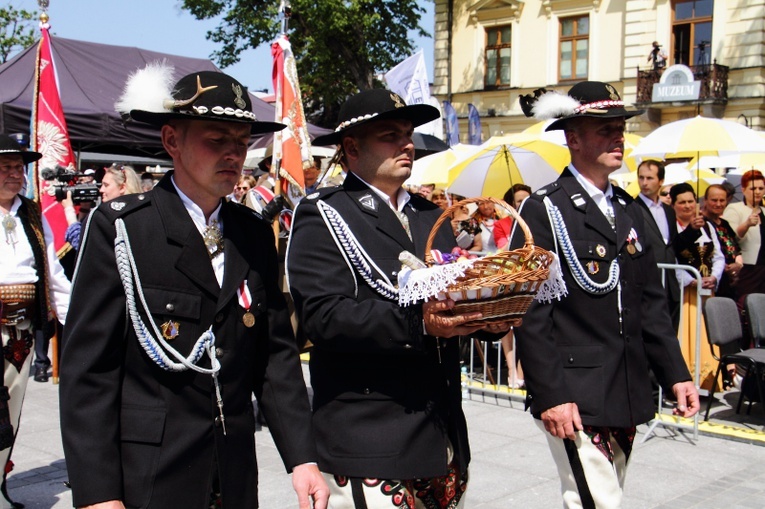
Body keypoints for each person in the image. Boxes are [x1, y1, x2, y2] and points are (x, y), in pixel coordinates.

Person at [60, 68, 327, 509]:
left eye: (241, 142)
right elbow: (89, 373)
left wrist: (302, 458)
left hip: (233, 471)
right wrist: (97, 494)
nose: (233, 154)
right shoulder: (123, 229)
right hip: (151, 474)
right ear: (172, 141)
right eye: (216, 139)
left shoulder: (253, 234)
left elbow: (275, 357)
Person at [287, 89, 510, 508]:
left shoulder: (431, 215)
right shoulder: (325, 213)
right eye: (390, 134)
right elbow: (323, 317)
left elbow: (452, 301)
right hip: (370, 434)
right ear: (351, 147)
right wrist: (417, 323)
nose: (407, 143)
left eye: (408, 133)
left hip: (441, 432)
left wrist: (490, 319)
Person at [510, 82, 699, 508]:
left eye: (620, 128)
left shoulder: (630, 208)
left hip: (626, 387)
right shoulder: (544, 209)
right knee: (599, 502)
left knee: (596, 498)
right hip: (574, 388)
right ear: (572, 138)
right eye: (604, 128)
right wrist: (551, 394)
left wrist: (676, 372)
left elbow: (650, 300)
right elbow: (529, 311)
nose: (618, 137)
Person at [0, 134, 70, 508]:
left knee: (11, 408)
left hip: (23, 333)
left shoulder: (31, 212)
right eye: (7, 167)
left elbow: (53, 273)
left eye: (19, 168)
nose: (16, 174)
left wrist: (78, 319)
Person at [671, 183, 725, 391]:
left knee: (710, 333)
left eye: (690, 201)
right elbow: (673, 259)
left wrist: (714, 276)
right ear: (674, 205)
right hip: (687, 293)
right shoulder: (674, 228)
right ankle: (689, 380)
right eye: (682, 202)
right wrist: (689, 279)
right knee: (689, 333)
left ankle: (710, 380)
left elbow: (719, 256)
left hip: (707, 290)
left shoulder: (708, 226)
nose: (687, 206)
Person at [635, 159, 682, 330]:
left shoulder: (668, 210)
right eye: (641, 178)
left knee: (671, 329)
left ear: (661, 181)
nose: (644, 183)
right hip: (647, 280)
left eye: (649, 178)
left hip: (670, 283)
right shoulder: (632, 207)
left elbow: (673, 244)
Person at [722, 169, 765, 345]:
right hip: (748, 268)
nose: (757, 192)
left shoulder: (763, 210)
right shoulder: (735, 209)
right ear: (745, 189)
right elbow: (731, 236)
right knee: (746, 310)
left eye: (761, 188)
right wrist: (747, 223)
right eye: (753, 188)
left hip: (763, 267)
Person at [703, 183, 743, 300]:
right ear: (705, 200)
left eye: (722, 200)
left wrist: (737, 265)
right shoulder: (700, 223)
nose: (718, 204)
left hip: (729, 281)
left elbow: (736, 248)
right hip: (711, 280)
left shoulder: (724, 223)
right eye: (714, 200)